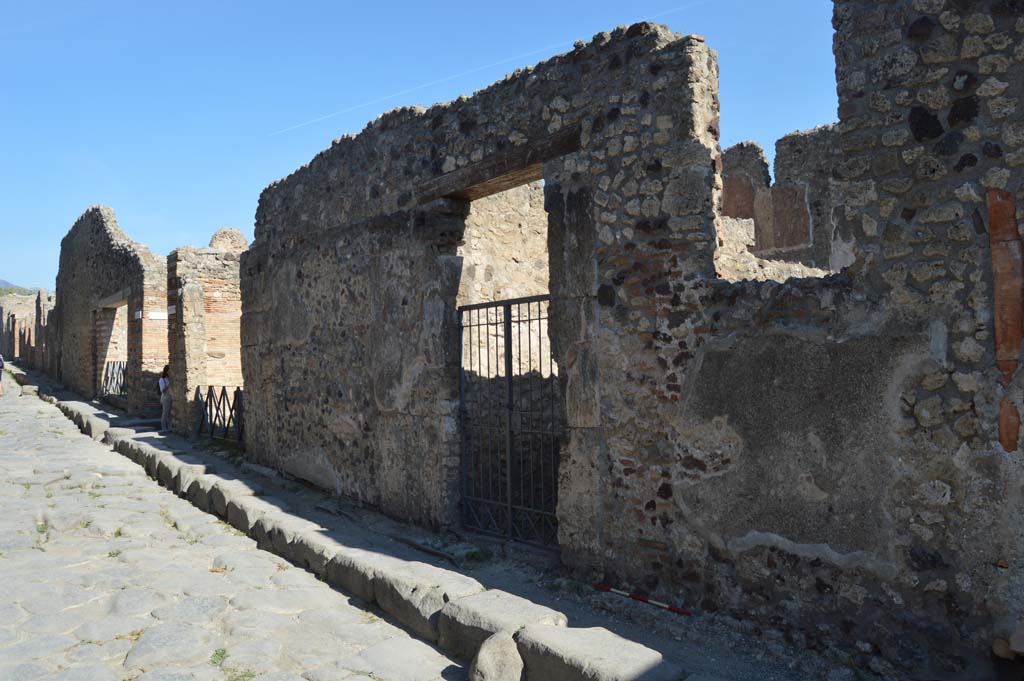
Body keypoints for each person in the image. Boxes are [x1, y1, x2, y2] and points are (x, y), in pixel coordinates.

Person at [158, 365, 171, 432]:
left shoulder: (170, 378)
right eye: (169, 371)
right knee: (165, 413)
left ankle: (169, 427)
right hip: (165, 397)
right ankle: (163, 428)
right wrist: (168, 385)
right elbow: (162, 390)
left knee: (169, 413)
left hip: (170, 397)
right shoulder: (162, 379)